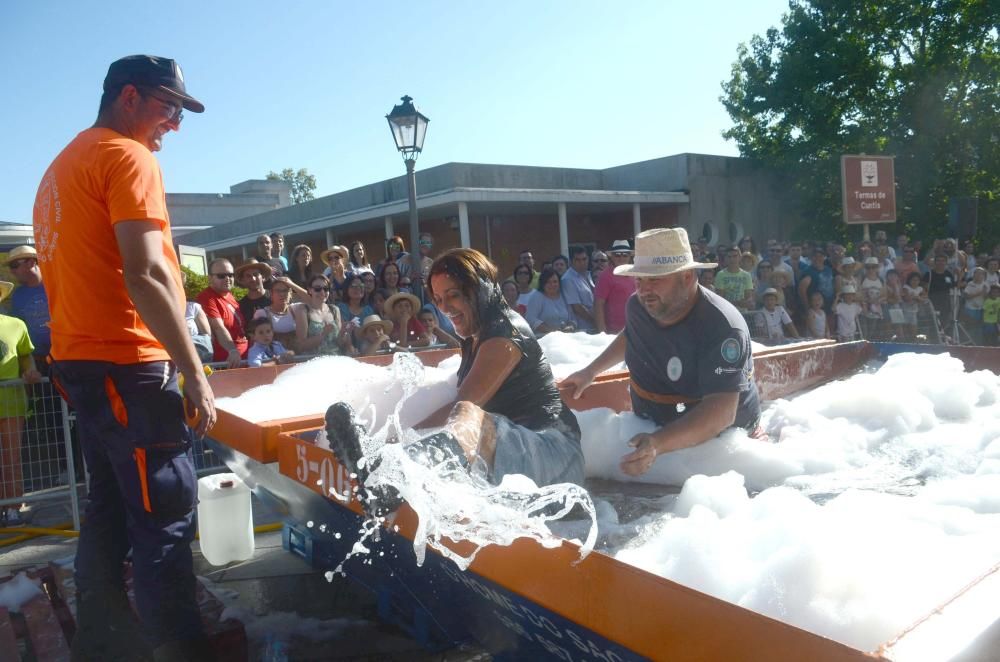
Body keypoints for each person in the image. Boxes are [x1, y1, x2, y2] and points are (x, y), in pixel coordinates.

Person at [32, 54, 215, 660]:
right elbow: (144, 274)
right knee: (164, 519)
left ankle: (103, 644)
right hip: (128, 367)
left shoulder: (61, 167)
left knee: (110, 511)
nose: (174, 124)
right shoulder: (125, 155)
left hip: (84, 366)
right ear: (130, 97)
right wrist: (193, 371)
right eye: (169, 107)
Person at [325, 248, 584, 513]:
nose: (444, 308)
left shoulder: (504, 334)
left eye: (454, 295)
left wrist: (393, 446)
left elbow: (464, 408)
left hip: (556, 456)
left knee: (468, 414)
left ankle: (392, 479)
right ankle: (390, 474)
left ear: (480, 289)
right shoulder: (477, 335)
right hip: (521, 449)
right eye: (437, 299)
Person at [562, 228, 762, 477]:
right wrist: (590, 371)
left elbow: (721, 411)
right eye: (639, 280)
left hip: (719, 444)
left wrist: (658, 443)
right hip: (652, 426)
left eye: (655, 279)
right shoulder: (639, 305)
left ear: (687, 278)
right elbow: (631, 335)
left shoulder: (722, 325)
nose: (644, 290)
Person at [0, 281, 42, 526]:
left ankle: (13, 508)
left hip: (13, 401)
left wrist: (32, 371)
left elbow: (26, 356)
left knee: (11, 459)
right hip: (12, 398)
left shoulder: (17, 325)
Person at [5, 246, 51, 373]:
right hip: (36, 364)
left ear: (31, 262)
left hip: (66, 361)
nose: (11, 271)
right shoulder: (17, 295)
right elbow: (18, 330)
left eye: (14, 265)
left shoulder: (56, 284)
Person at [199, 258, 248, 368]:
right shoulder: (207, 297)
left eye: (230, 275)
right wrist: (232, 350)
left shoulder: (229, 295)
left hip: (244, 359)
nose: (228, 279)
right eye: (221, 276)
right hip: (228, 363)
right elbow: (218, 327)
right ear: (210, 278)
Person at [593, 240, 637, 334]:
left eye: (625, 254)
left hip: (635, 329)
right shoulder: (605, 276)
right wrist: (602, 332)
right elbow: (598, 304)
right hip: (614, 333)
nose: (621, 257)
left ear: (630, 256)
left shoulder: (635, 273)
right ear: (612, 256)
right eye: (617, 254)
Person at [253, 277, 300, 349]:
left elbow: (313, 300)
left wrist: (292, 284)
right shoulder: (262, 313)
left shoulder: (296, 309)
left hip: (297, 357)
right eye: (278, 291)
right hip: (274, 357)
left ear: (290, 294)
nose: (282, 294)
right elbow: (255, 341)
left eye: (285, 290)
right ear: (271, 294)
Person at [525, 268, 576, 334]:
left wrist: (570, 327)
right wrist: (551, 331)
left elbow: (573, 318)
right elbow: (530, 318)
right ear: (543, 283)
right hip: (543, 339)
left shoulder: (564, 296)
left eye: (555, 281)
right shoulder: (537, 296)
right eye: (548, 282)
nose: (552, 285)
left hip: (564, 337)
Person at [562, 246, 596, 331]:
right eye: (578, 260)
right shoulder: (567, 279)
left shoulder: (589, 275)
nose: (582, 262)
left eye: (584, 259)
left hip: (593, 326)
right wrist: (596, 322)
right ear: (571, 261)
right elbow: (577, 308)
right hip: (582, 329)